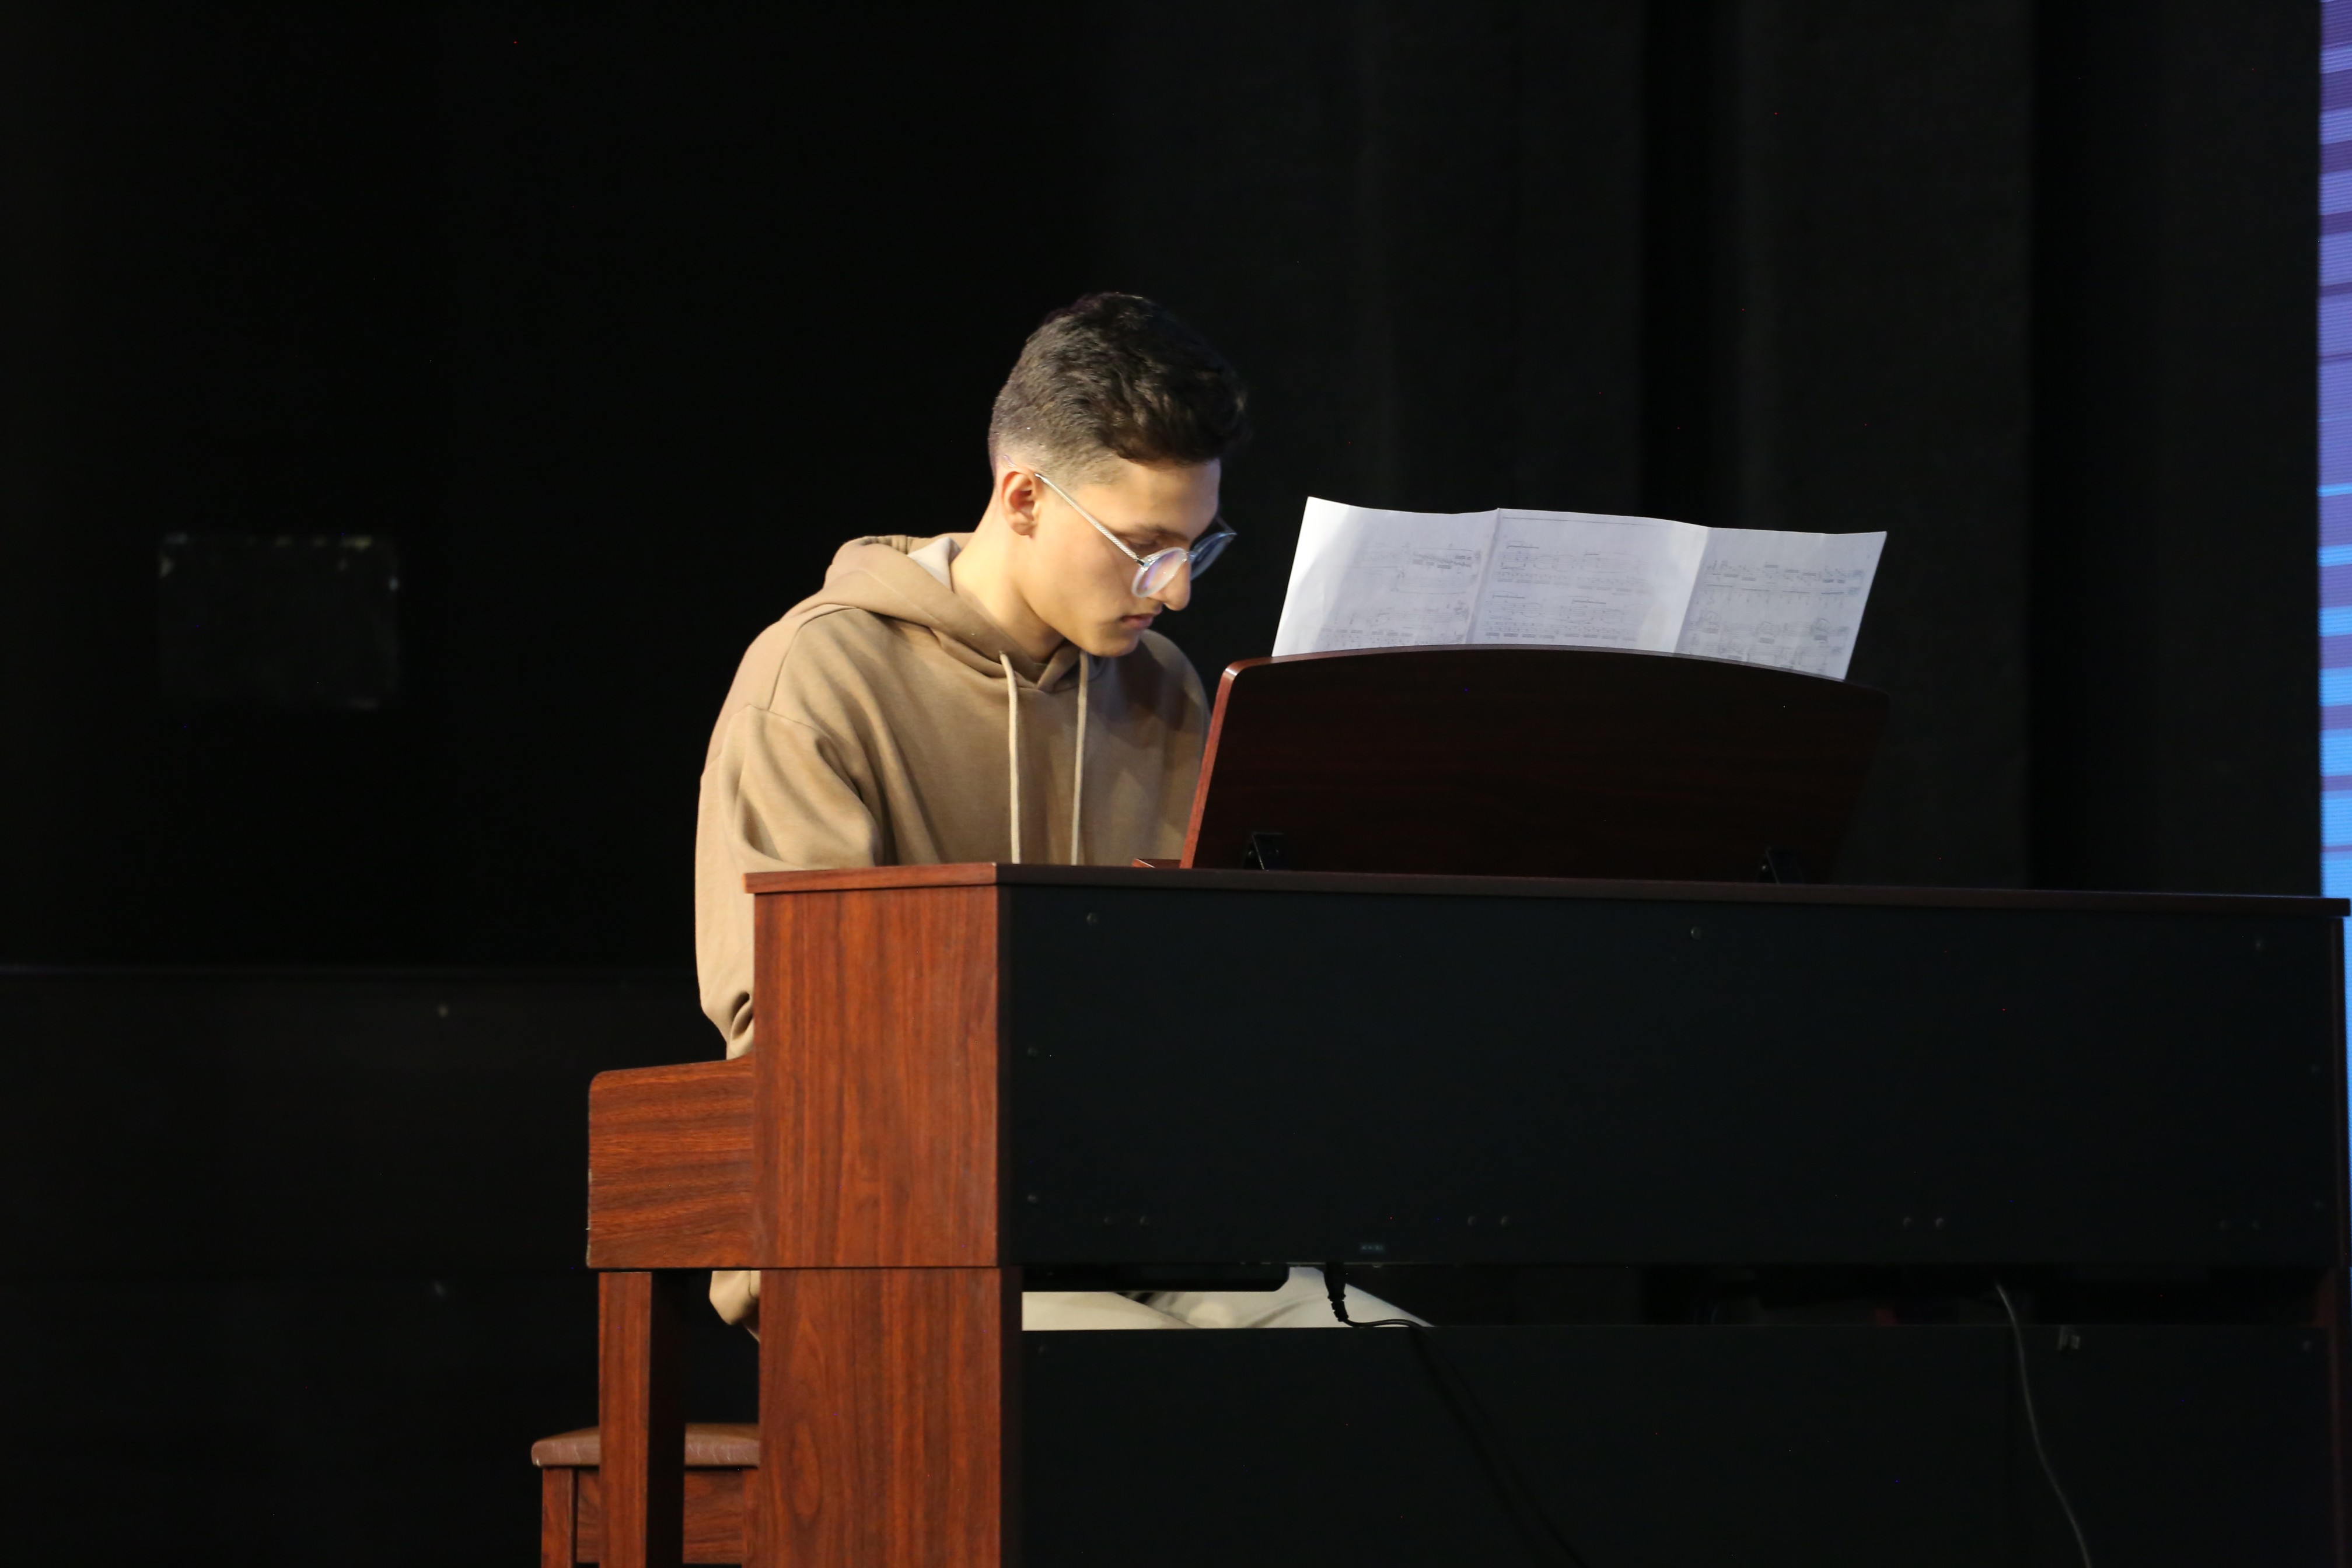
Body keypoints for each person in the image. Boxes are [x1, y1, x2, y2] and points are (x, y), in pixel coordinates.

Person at [694, 292, 1413, 1332]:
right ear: (1024, 498)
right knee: (1166, 1386)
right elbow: (797, 1018)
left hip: (1126, 1212)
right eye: (1143, 545)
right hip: (883, 1229)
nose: (1175, 591)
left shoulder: (1163, 685)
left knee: (1399, 1367)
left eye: (1197, 547)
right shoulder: (820, 674)